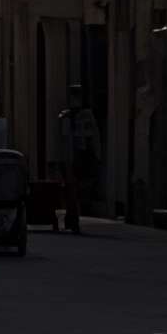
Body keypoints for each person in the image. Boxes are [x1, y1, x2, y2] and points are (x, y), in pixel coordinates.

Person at [56, 85, 102, 234]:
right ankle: (72, 217)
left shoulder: (83, 115)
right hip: (72, 155)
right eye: (74, 96)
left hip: (79, 155)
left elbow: (91, 136)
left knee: (75, 187)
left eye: (77, 96)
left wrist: (94, 153)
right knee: (71, 187)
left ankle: (73, 217)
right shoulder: (66, 116)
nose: (75, 99)